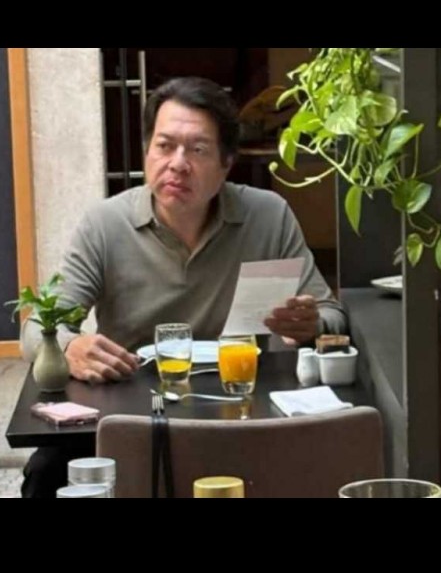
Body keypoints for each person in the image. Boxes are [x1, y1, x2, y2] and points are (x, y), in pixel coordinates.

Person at [20, 76, 348, 497]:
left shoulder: (267, 216)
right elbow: (37, 328)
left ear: (226, 163)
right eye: (165, 145)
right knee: (47, 472)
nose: (177, 163)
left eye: (197, 149)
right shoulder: (105, 224)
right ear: (146, 152)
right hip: (133, 412)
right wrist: (68, 346)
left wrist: (311, 325)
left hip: (241, 412)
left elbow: (333, 315)